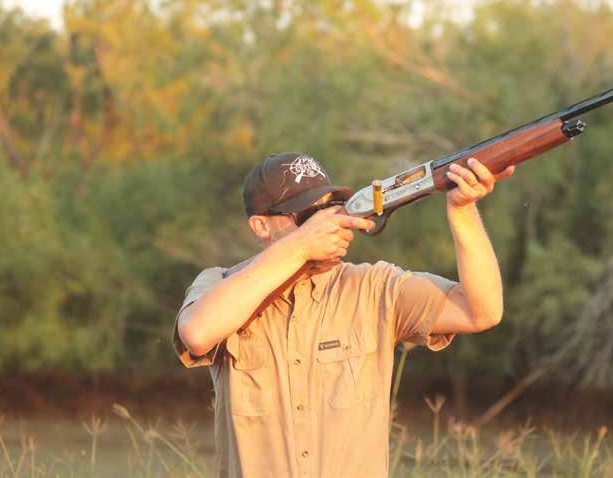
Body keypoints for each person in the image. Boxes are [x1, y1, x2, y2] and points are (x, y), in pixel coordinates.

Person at [173, 152, 515, 477]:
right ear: (261, 226)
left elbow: (480, 311)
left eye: (332, 208)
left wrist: (463, 211)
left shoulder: (374, 287)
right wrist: (301, 246)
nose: (328, 223)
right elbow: (198, 333)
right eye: (308, 216)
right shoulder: (220, 285)